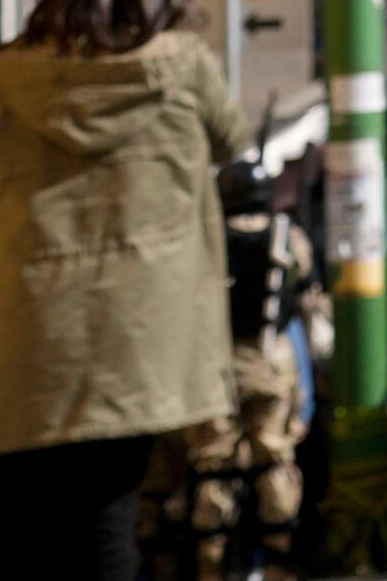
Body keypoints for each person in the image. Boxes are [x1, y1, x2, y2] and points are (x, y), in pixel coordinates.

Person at [0, 0, 237, 581]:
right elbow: (233, 139)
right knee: (108, 525)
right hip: (136, 346)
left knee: (21, 532)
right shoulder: (187, 72)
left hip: (15, 341)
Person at [144, 158, 313, 579]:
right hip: (272, 364)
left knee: (214, 468)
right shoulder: (287, 236)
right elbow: (307, 289)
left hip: (214, 368)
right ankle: (277, 565)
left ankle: (211, 565)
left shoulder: (204, 238)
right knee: (273, 462)